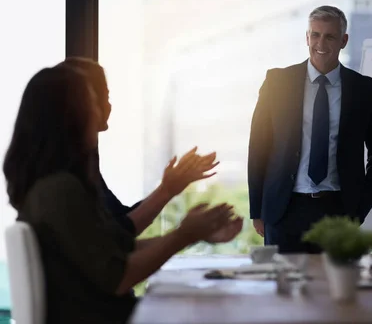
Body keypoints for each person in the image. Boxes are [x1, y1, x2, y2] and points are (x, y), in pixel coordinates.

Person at [4, 65, 242, 324]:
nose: (99, 112)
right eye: (94, 102)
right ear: (70, 116)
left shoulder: (53, 186)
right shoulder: (60, 190)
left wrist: (192, 234)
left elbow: (119, 246)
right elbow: (118, 277)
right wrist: (184, 234)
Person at [248, 5, 372, 253]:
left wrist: (359, 210)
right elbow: (258, 148)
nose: (320, 42)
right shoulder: (277, 83)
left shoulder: (364, 90)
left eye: (330, 36)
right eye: (315, 35)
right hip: (284, 210)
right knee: (283, 288)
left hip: (338, 213)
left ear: (344, 40)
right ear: (307, 37)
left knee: (334, 289)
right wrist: (257, 210)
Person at [59, 57, 217, 236]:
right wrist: (167, 194)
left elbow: (120, 222)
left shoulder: (83, 161)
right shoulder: (65, 178)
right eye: (104, 97)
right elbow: (117, 237)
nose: (108, 106)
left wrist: (168, 189)